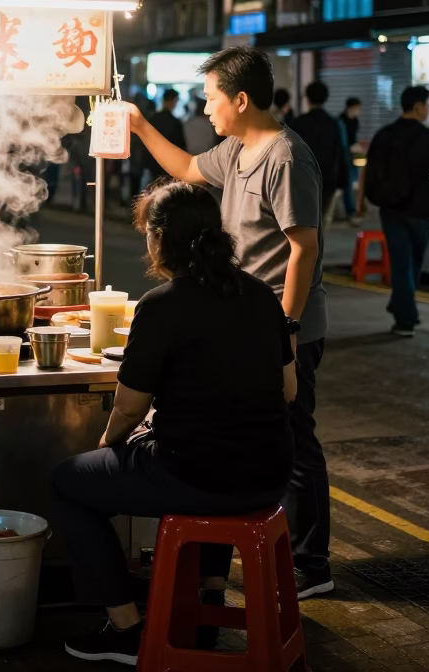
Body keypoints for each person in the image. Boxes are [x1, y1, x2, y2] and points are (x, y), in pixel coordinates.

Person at [53, 181, 297, 665]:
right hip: (270, 476)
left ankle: (125, 629)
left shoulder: (162, 305)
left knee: (67, 484)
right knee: (218, 453)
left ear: (160, 238)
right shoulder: (261, 297)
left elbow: (128, 409)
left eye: (148, 232)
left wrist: (109, 446)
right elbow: (288, 391)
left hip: (197, 476)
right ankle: (207, 605)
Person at [125, 46, 332, 599]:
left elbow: (304, 248)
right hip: (248, 320)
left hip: (282, 325)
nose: (206, 108)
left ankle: (314, 564)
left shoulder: (286, 157)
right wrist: (141, 127)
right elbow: (188, 169)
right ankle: (270, 550)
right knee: (258, 429)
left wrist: (285, 325)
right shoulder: (237, 149)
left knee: (295, 436)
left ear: (241, 99)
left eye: (212, 97)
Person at [359, 86, 429, 336]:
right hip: (421, 209)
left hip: (391, 209)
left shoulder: (384, 134)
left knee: (402, 263)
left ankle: (400, 303)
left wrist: (360, 200)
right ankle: (406, 319)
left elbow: (368, 170)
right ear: (418, 107)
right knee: (412, 263)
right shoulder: (428, 136)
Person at [291, 82, 347, 222]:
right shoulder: (333, 124)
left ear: (308, 99)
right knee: (319, 223)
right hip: (326, 182)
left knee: (301, 222)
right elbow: (339, 153)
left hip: (301, 181)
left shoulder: (297, 123)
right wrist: (341, 181)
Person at [147, 89, 186, 180]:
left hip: (153, 161)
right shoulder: (175, 122)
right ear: (173, 101)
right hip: (170, 162)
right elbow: (180, 144)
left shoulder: (153, 119)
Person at [338, 97, 361, 223]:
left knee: (355, 181)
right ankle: (351, 210)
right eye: (357, 107)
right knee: (348, 181)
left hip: (354, 152)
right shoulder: (341, 120)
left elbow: (354, 136)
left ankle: (356, 207)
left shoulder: (355, 120)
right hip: (345, 154)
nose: (358, 110)